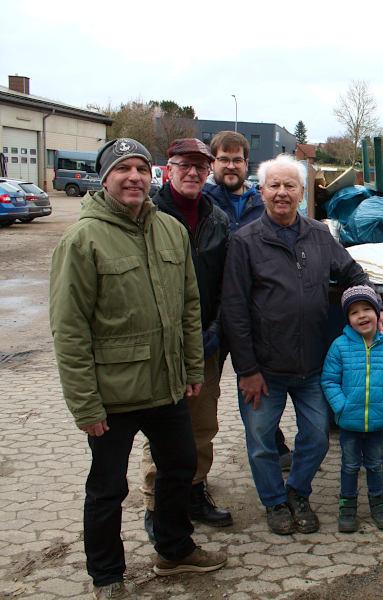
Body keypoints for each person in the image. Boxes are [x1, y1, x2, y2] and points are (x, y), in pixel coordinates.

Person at [49, 138, 226, 599]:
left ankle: (174, 550)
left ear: (154, 176)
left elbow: (191, 305)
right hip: (113, 394)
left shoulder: (169, 229)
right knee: (108, 489)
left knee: (180, 467)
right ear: (105, 177)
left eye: (141, 169)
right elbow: (69, 329)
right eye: (123, 169)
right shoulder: (82, 239)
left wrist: (192, 368)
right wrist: (85, 404)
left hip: (166, 386)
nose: (133, 177)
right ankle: (107, 575)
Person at [220, 154, 383, 535]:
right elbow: (234, 311)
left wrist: (377, 307)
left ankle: (298, 492)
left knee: (316, 438)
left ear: (302, 193)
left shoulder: (319, 235)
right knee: (261, 442)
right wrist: (247, 370)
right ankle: (275, 503)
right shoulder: (245, 242)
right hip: (264, 369)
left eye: (290, 186)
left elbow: (354, 273)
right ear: (262, 191)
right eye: (274, 186)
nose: (282, 193)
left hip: (312, 366)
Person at [139, 138, 233, 539]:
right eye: (184, 165)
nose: (193, 172)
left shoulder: (218, 219)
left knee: (202, 423)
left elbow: (227, 282)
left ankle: (195, 492)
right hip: (160, 344)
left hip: (205, 342)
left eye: (200, 166)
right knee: (161, 426)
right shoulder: (148, 215)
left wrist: (215, 329)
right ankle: (155, 502)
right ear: (168, 168)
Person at [204, 131, 293, 470]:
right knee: (203, 398)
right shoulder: (203, 202)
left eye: (237, 159)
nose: (230, 165)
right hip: (210, 316)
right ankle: (194, 477)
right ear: (214, 162)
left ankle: (271, 441)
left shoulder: (261, 205)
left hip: (252, 315)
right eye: (223, 159)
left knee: (258, 382)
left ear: (246, 164)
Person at [321, 286, 383, 533]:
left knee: (375, 464)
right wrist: (341, 407)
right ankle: (347, 505)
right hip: (349, 422)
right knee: (349, 465)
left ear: (378, 313)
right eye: (354, 312)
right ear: (347, 319)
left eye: (367, 309)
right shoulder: (340, 346)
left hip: (378, 421)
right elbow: (329, 380)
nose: (361, 316)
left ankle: (378, 503)